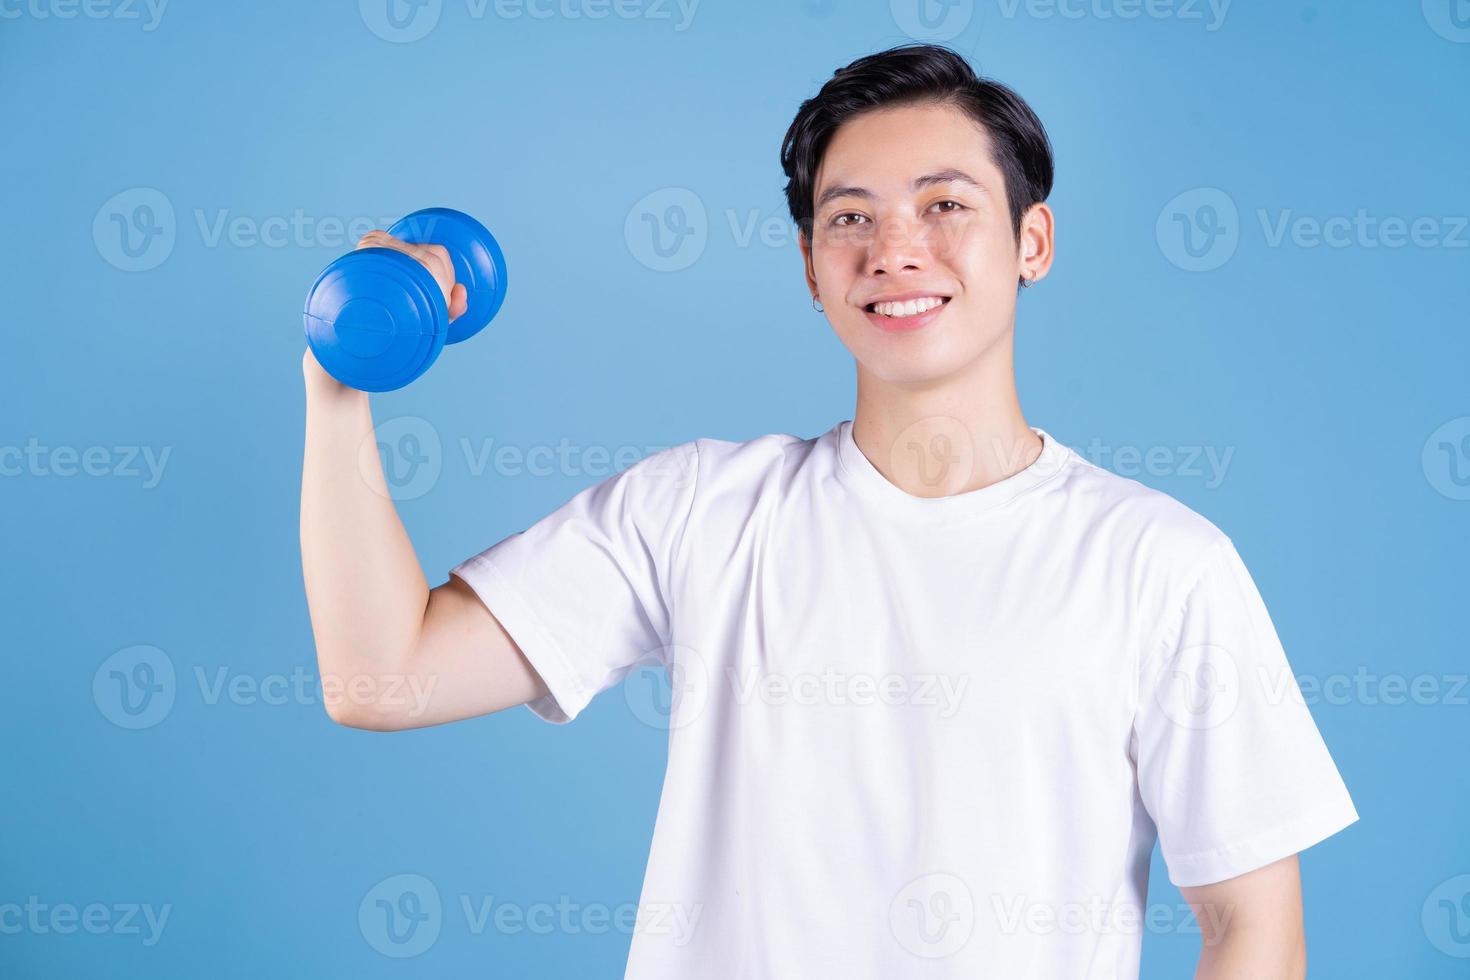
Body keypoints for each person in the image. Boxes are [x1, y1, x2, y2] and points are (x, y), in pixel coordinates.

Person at [300, 43, 1358, 979]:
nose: (895, 249)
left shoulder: (1161, 564)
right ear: (811, 265)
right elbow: (381, 675)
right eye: (850, 217)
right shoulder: (699, 511)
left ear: (1033, 241)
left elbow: (1255, 927)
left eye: (946, 205)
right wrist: (338, 374)